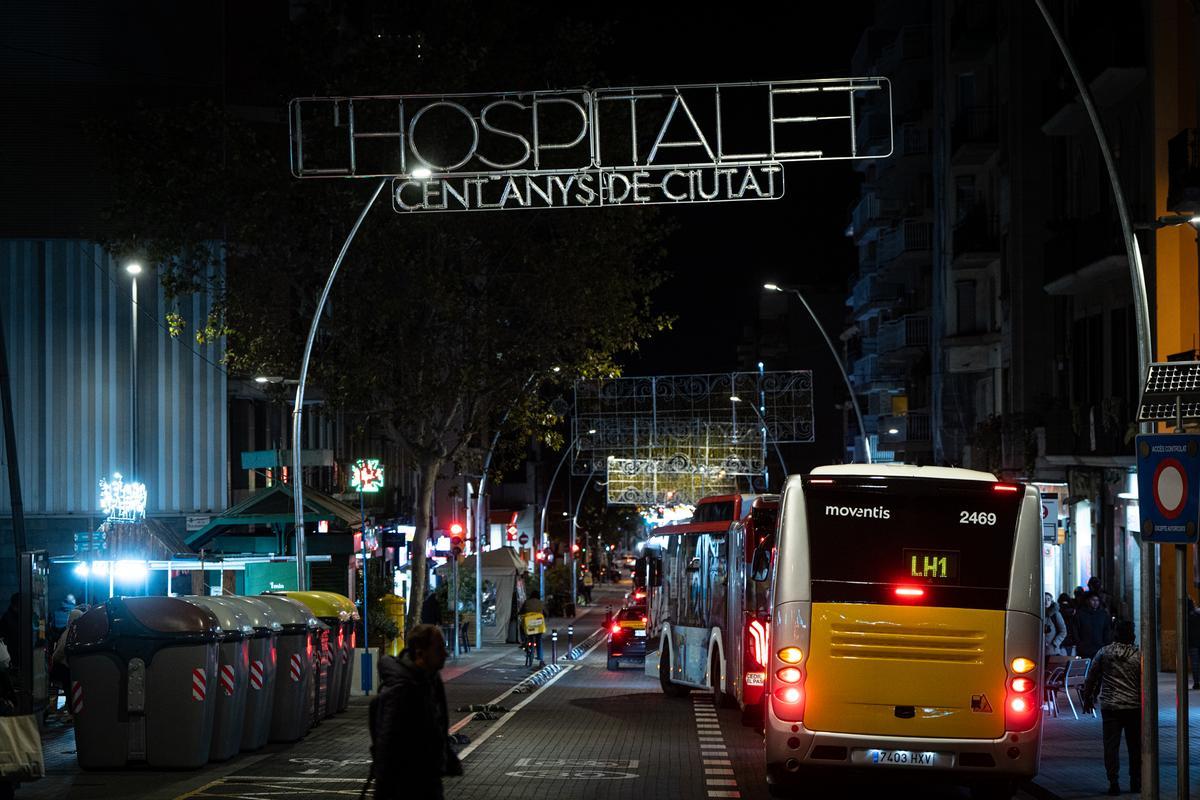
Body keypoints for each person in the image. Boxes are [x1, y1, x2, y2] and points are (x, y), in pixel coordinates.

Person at [372, 624, 461, 800]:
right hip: (406, 786)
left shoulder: (432, 679)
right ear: (420, 653)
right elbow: (387, 744)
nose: (446, 653)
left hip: (429, 780)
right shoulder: (402, 689)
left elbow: (438, 725)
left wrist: (446, 758)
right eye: (439, 648)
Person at [1082, 620, 1142, 796]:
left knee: (1111, 746)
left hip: (1110, 707)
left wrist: (1088, 698)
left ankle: (1113, 782)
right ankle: (1135, 782)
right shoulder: (1139, 655)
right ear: (1132, 634)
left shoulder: (1104, 652)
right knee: (1135, 747)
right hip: (1134, 707)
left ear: (1115, 633)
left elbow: (1091, 676)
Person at [1075, 592, 1113, 659]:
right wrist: (1080, 644)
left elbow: (1107, 630)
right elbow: (1076, 630)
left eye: (1097, 600)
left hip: (1099, 648)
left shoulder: (1103, 614)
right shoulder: (1080, 614)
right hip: (1084, 649)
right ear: (1087, 601)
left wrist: (1106, 645)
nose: (1095, 602)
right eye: (1093, 600)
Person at [518, 589, 545, 667]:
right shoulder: (541, 603)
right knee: (539, 640)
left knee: (521, 628)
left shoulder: (527, 602)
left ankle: (523, 642)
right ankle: (541, 658)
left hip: (529, 624)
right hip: (539, 624)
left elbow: (521, 611)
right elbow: (546, 612)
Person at [1044, 592, 1067, 658]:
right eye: (1044, 599)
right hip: (1037, 650)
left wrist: (1055, 643)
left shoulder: (1055, 614)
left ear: (1051, 601)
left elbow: (1063, 631)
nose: (1046, 601)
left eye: (1048, 599)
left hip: (1052, 651)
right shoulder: (1038, 613)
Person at [1187, 595, 1200, 691]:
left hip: (1192, 643)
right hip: (1197, 641)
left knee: (1194, 663)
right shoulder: (1198, 613)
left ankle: (1196, 683)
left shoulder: (1186, 617)